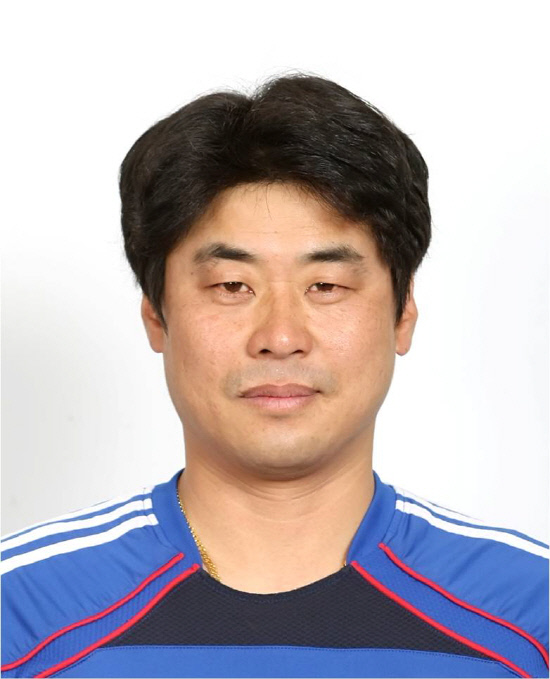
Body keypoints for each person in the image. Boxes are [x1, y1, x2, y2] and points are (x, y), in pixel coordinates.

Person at [1, 74, 547, 679]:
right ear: (156, 314)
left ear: (403, 313)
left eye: (326, 286)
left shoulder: (531, 614)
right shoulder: (20, 612)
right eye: (233, 286)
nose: (281, 337)